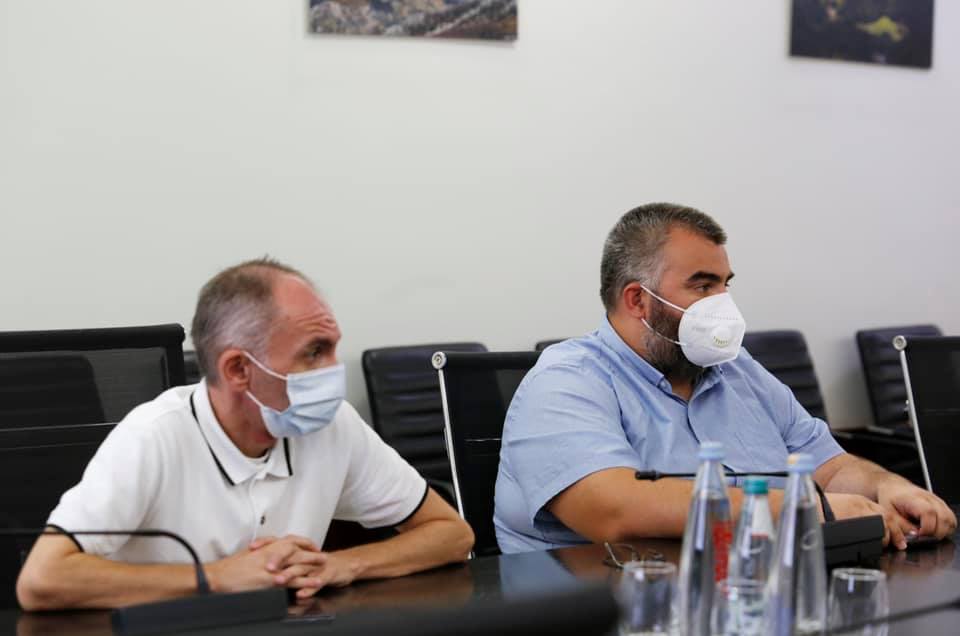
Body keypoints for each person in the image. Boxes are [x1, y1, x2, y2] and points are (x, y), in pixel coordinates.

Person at [494, 203, 956, 554]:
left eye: (724, 284)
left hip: (756, 589)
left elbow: (829, 468)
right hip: (615, 605)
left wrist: (886, 487)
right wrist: (805, 510)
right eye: (702, 286)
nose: (723, 303)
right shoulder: (565, 381)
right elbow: (614, 509)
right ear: (637, 300)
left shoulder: (739, 370)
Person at [17, 258, 474, 610]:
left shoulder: (334, 424)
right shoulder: (153, 436)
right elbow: (42, 579)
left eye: (333, 348)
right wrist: (217, 578)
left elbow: (451, 534)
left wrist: (340, 565)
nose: (333, 370)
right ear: (238, 369)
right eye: (314, 352)